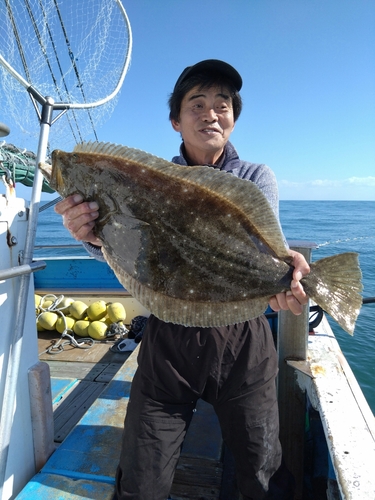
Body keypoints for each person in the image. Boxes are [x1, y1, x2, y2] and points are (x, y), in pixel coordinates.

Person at [55, 59, 310, 500]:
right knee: (142, 481)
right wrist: (91, 237)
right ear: (176, 121)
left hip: (243, 344)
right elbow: (136, 252)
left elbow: (266, 252)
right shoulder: (147, 181)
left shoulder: (254, 176)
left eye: (222, 104)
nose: (211, 113)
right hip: (169, 343)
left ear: (233, 117)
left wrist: (287, 273)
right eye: (197, 103)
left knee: (261, 473)